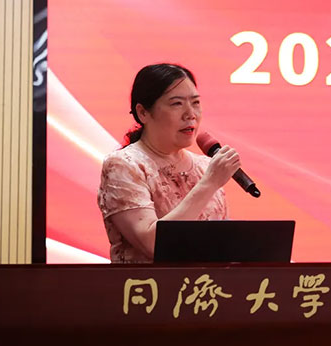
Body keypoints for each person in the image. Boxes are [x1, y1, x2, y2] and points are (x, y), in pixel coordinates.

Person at [97, 63, 241, 263]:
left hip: (206, 283)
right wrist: (209, 183)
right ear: (143, 113)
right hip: (148, 283)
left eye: (195, 103)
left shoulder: (205, 167)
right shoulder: (125, 165)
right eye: (177, 104)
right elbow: (154, 245)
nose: (190, 114)